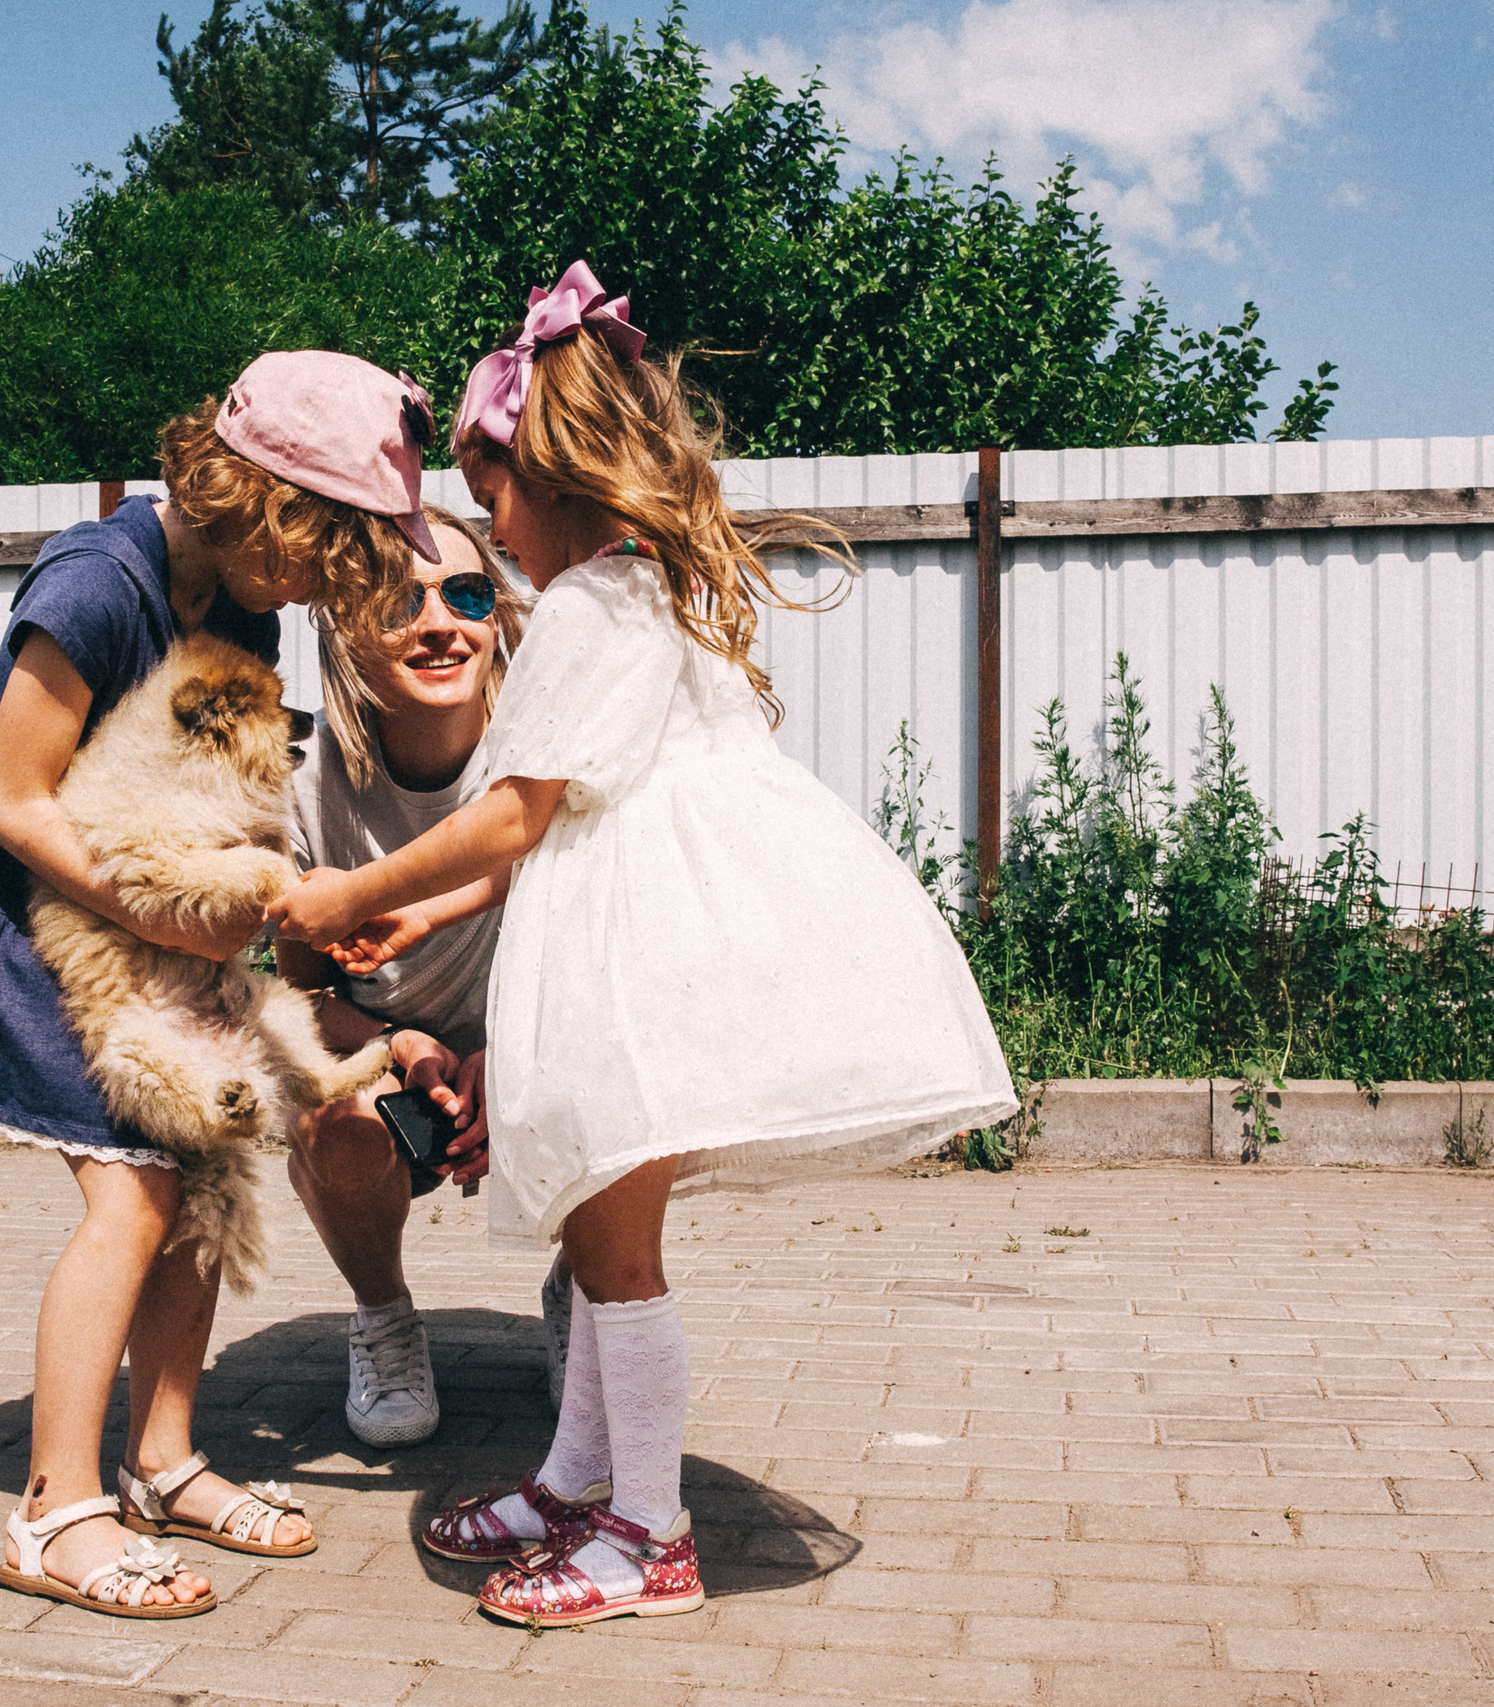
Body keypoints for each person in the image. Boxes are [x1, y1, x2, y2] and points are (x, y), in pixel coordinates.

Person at [270, 263, 1017, 1626]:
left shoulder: (587, 608)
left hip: (626, 963)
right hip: (637, 941)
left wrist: (341, 901)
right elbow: (567, 801)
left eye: (492, 500)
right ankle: (576, 1475)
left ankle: (647, 1532)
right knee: (604, 1234)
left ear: (551, 481)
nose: (492, 533)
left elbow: (516, 809)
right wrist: (427, 909)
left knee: (618, 1258)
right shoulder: (647, 592)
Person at [0, 352, 443, 1618]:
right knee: (130, 1194)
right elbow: (16, 803)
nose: (320, 591)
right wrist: (169, 910)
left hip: (137, 930)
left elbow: (196, 792)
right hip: (14, 924)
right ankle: (54, 1514)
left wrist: (262, 898)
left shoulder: (240, 605)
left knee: (202, 1172)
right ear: (266, 505)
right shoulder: (92, 585)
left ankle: (163, 1461)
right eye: (320, 556)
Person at [270, 506, 563, 1448]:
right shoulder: (306, 783)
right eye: (402, 600)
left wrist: (511, 1051)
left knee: (634, 1079)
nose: (441, 622)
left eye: (468, 594)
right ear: (348, 628)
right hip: (396, 1060)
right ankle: (385, 1318)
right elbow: (304, 997)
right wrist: (396, 1044)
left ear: (497, 619)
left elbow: (615, 950)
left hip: (543, 1040)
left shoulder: (547, 756)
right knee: (329, 1116)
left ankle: (592, 1289)